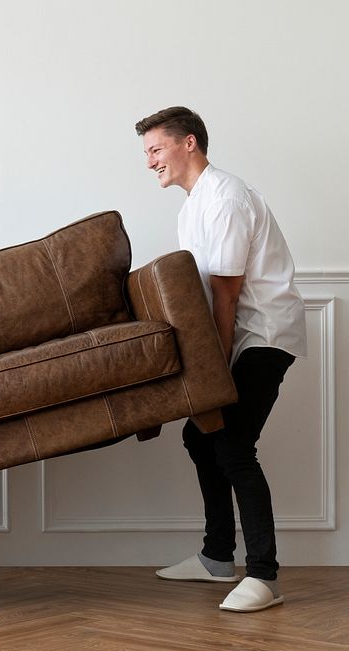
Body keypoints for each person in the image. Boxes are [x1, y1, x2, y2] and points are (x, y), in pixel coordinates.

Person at [135, 106, 307, 613]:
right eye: (146, 153)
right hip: (238, 335)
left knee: (231, 444)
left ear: (189, 143)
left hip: (262, 336)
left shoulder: (227, 197)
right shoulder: (192, 207)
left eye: (155, 149)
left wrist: (212, 375)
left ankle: (265, 576)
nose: (149, 162)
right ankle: (216, 557)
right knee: (200, 435)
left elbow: (225, 295)